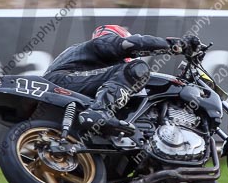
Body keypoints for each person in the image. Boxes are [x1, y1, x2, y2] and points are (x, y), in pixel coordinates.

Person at [44, 24, 195, 135]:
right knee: (138, 68)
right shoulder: (102, 43)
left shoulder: (94, 63)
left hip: (63, 94)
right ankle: (99, 112)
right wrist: (175, 45)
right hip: (60, 83)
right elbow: (130, 45)